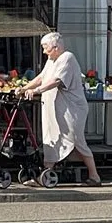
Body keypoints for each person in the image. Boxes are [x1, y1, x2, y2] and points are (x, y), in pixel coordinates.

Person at [18, 32, 101, 186]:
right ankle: (45, 176)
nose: (44, 52)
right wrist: (23, 89)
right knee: (52, 138)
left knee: (76, 140)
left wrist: (35, 91)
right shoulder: (51, 60)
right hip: (55, 108)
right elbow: (41, 77)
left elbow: (56, 81)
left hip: (71, 109)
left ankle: (94, 176)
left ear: (55, 47)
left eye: (45, 48)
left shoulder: (67, 58)